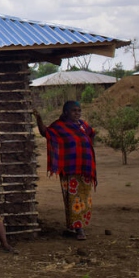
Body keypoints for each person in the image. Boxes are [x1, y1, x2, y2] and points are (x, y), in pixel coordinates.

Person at [34, 100, 96, 240]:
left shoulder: (83, 125)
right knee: (73, 199)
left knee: (85, 199)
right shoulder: (59, 126)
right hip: (70, 170)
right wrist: (39, 119)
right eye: (74, 110)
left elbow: (92, 134)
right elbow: (46, 132)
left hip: (85, 169)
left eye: (79, 110)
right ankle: (79, 229)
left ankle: (74, 227)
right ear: (66, 112)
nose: (77, 113)